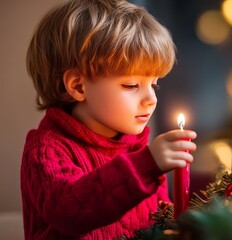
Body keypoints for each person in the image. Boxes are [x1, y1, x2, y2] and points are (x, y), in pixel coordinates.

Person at [20, 0, 197, 239]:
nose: (151, 99)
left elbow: (161, 222)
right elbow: (70, 211)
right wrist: (146, 165)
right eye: (131, 85)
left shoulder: (139, 149)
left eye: (154, 84)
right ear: (78, 86)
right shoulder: (46, 150)